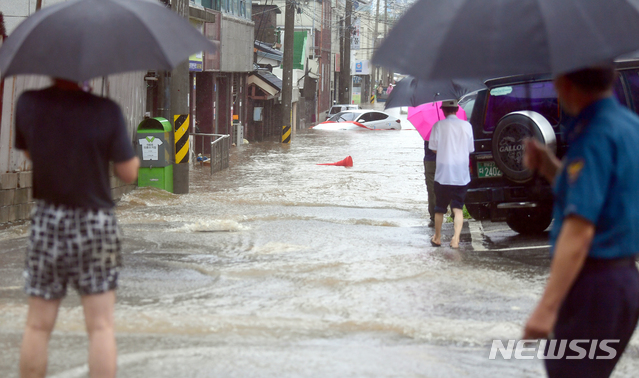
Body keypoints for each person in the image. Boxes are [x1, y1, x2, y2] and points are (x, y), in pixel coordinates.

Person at [15, 78, 140, 378]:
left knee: (37, 325)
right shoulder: (106, 110)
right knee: (100, 326)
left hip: (48, 219)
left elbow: (31, 154)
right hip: (95, 221)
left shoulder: (29, 102)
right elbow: (127, 173)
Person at [523, 66, 639, 377]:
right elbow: (604, 194)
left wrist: (545, 309)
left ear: (564, 84)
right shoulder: (630, 126)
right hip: (625, 282)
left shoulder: (593, 138)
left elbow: (580, 232)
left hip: (593, 286)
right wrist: (549, 168)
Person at [428, 99, 474, 248]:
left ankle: (438, 237)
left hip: (443, 174)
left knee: (440, 208)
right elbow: (470, 149)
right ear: (457, 110)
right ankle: (455, 239)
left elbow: (433, 148)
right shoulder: (467, 126)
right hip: (461, 174)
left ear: (443, 110)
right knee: (458, 208)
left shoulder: (438, 126)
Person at [423, 139, 437, 227]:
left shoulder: (427, 128)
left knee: (432, 191)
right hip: (446, 160)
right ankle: (455, 214)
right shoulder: (446, 126)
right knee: (449, 186)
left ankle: (434, 218)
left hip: (430, 161)